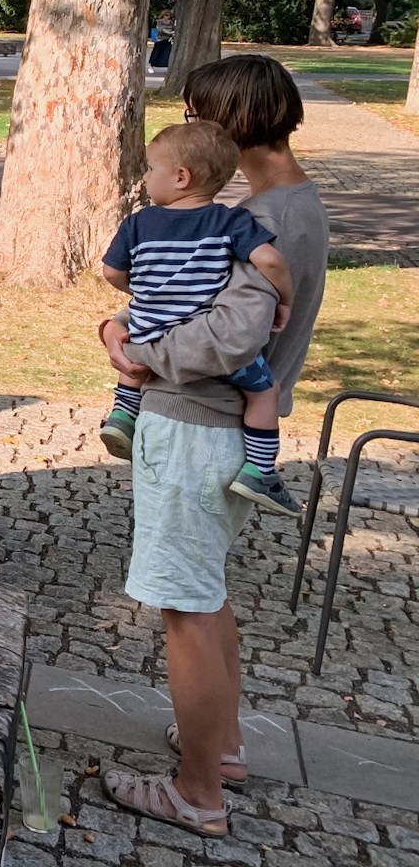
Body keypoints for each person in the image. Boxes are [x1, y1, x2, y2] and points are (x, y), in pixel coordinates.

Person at [99, 55, 328, 839]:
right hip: (215, 428)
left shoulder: (273, 220)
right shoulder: (281, 203)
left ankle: (197, 795)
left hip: (197, 427)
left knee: (186, 612)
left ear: (228, 126)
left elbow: (232, 337)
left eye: (197, 112)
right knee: (207, 597)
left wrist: (132, 349)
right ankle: (221, 749)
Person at [98, 120, 296, 514]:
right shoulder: (232, 222)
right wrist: (285, 299)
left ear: (181, 176)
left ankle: (122, 413)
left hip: (148, 332)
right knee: (264, 390)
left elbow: (111, 272)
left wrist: (141, 292)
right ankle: (260, 471)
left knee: (132, 342)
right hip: (201, 335)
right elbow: (270, 260)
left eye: (151, 168)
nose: (146, 176)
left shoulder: (138, 223)